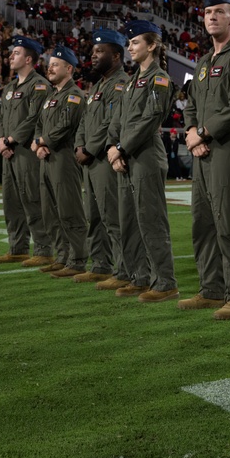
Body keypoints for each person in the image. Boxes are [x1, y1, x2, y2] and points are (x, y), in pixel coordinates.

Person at [180, 0, 230, 319]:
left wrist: (203, 132)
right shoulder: (202, 62)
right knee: (203, 222)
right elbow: (192, 103)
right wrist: (191, 132)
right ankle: (211, 289)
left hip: (229, 149)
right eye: (208, 12)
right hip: (203, 151)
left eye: (219, 12)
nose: (212, 16)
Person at [106, 20, 180, 302]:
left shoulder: (158, 79)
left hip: (146, 156)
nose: (130, 47)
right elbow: (117, 120)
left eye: (135, 42)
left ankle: (166, 282)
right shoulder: (132, 80)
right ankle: (140, 277)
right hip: (125, 156)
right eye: (128, 43)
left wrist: (121, 148)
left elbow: (151, 119)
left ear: (151, 45)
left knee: (151, 220)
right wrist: (115, 148)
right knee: (129, 222)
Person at [73, 28, 145, 286]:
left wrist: (89, 148)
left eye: (99, 51)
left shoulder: (120, 84)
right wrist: (79, 145)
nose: (93, 55)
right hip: (90, 159)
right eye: (93, 51)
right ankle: (101, 264)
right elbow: (84, 121)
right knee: (94, 216)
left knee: (113, 218)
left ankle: (124, 271)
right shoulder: (96, 87)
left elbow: (112, 123)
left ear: (116, 56)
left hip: (103, 158)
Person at [0, 36, 55, 266]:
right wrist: (1, 140)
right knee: (11, 201)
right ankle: (17, 248)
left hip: (27, 152)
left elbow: (33, 118)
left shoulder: (39, 85)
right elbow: (0, 117)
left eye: (16, 53)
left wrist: (10, 140)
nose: (11, 56)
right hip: (8, 151)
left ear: (29, 59)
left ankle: (43, 250)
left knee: (33, 200)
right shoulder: (9, 87)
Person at [30, 45, 88, 276]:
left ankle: (77, 260)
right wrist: (38, 145)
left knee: (69, 209)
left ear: (69, 68)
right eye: (50, 64)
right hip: (47, 158)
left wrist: (42, 141)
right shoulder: (52, 96)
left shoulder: (74, 95)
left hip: (64, 158)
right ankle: (62, 256)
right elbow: (39, 124)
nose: (50, 68)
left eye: (55, 64)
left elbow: (64, 126)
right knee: (50, 211)